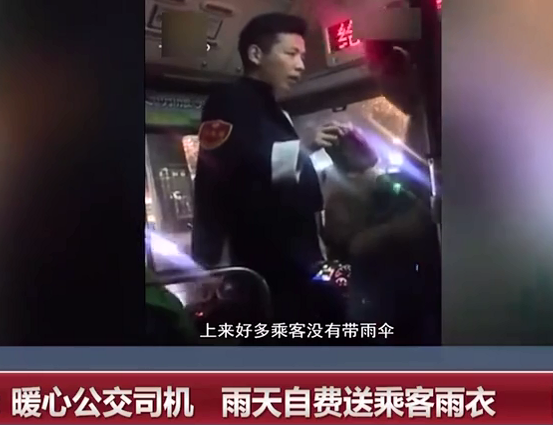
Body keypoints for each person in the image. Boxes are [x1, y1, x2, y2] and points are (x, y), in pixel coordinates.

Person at [191, 13, 347, 327]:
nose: (300, 65)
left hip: (298, 259)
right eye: (291, 54)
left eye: (302, 56)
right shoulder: (227, 100)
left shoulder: (278, 113)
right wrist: (207, 261)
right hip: (261, 264)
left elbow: (282, 177)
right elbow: (217, 177)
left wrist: (330, 155)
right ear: (255, 54)